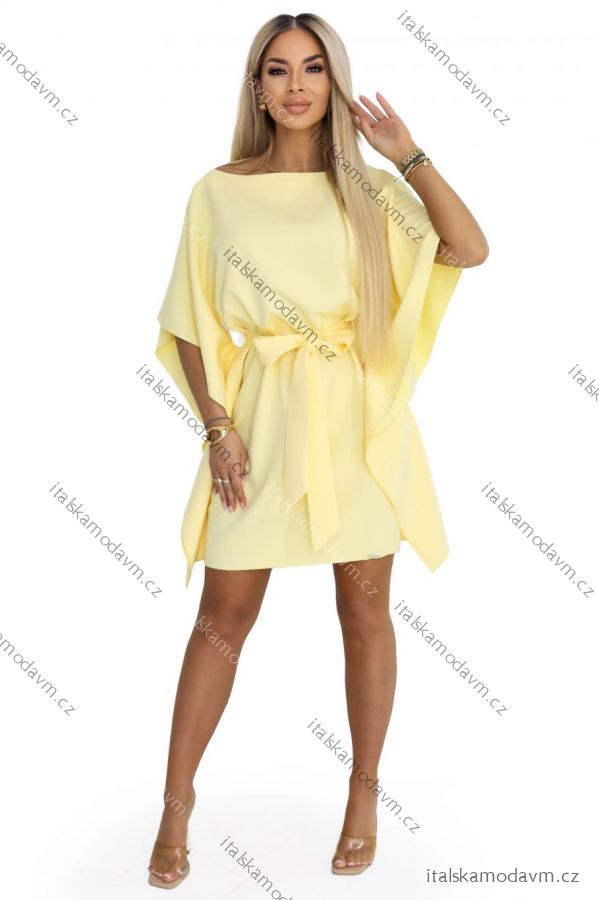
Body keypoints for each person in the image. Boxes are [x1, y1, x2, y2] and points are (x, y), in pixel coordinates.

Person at [148, 11, 488, 888]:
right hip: (260, 423)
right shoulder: (218, 191)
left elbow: (467, 249)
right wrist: (216, 427)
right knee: (222, 617)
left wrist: (406, 154)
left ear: (334, 82)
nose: (295, 85)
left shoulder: (368, 190)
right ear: (256, 89)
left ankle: (363, 795)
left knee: (364, 612)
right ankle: (175, 804)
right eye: (277, 70)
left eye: (312, 68)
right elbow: (188, 319)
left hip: (358, 427)